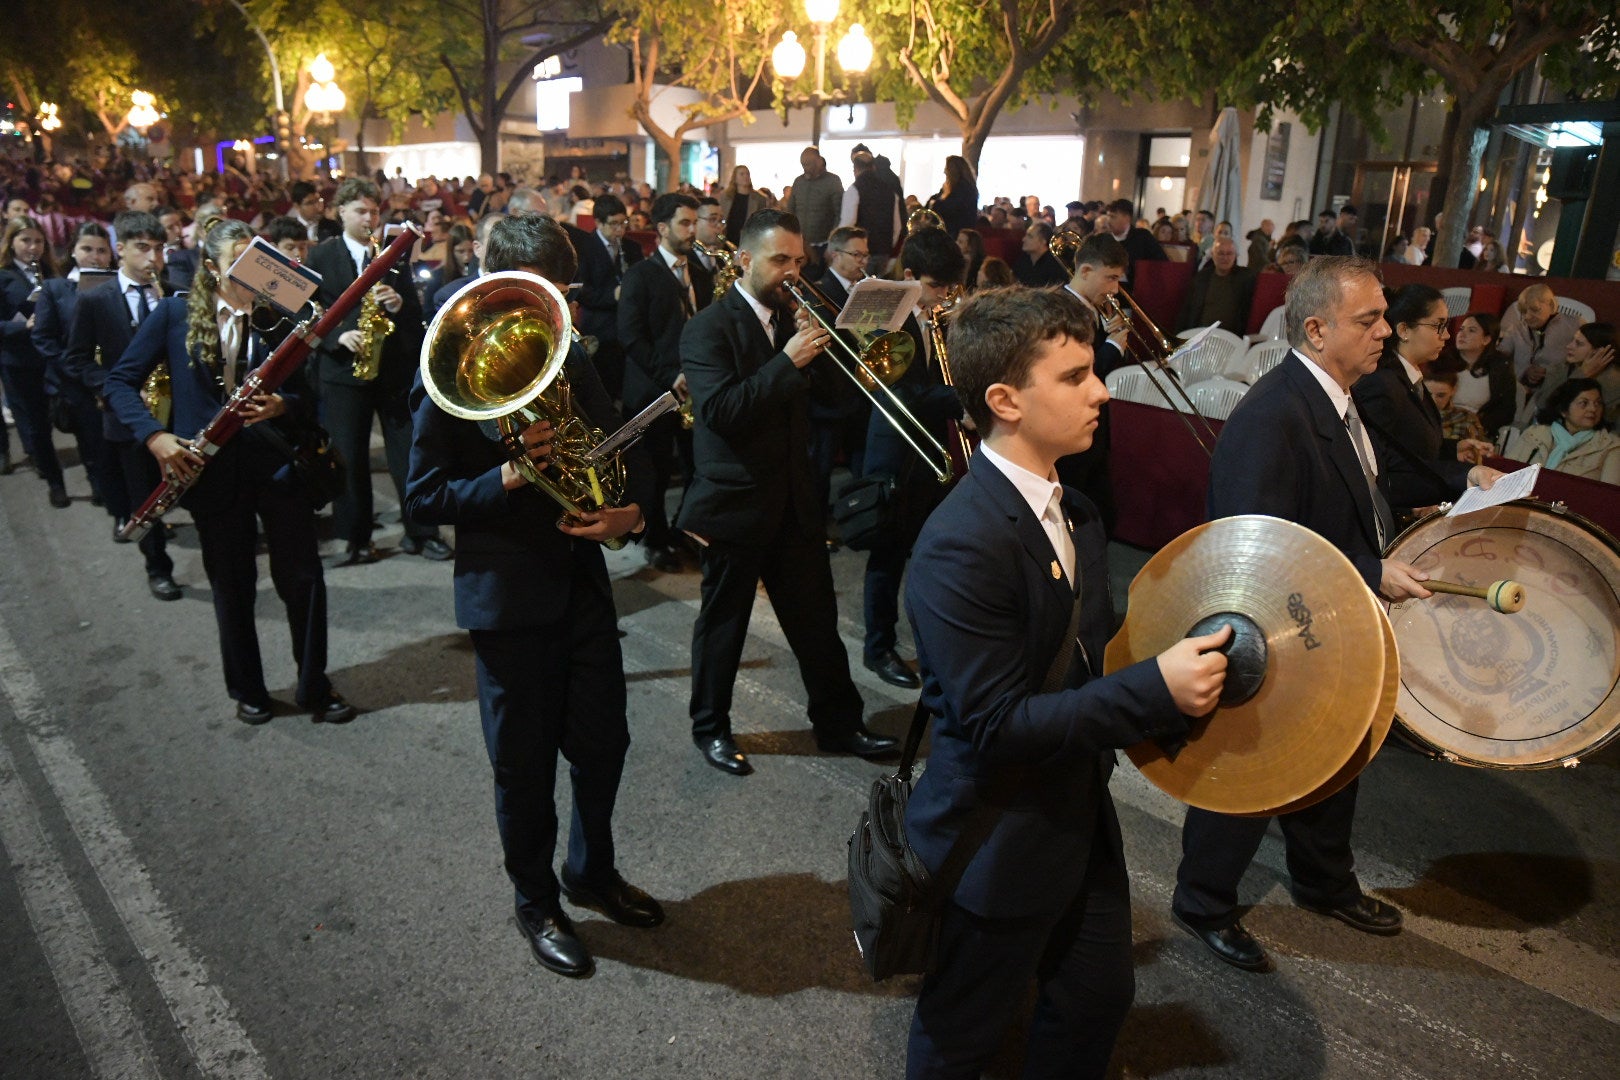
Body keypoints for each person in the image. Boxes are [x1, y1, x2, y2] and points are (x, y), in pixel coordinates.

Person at [902, 284, 1230, 1077]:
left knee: (1094, 998)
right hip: (997, 834)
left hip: (1076, 817)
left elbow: (1088, 664)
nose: (1101, 391)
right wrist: (1155, 690)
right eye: (1076, 376)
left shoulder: (1076, 510)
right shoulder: (960, 543)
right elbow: (993, 727)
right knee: (962, 1032)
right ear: (1005, 401)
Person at [1172, 257, 1500, 974]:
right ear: (1316, 329)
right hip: (1279, 630)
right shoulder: (1273, 415)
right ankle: (1203, 902)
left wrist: (1459, 478)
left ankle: (1324, 882)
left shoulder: (1336, 396)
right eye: (1369, 320)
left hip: (1333, 618)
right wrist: (1369, 570)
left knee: (1338, 754)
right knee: (1254, 770)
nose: (1386, 330)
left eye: (1384, 316)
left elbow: (1376, 478)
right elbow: (1253, 549)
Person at [405, 212, 664, 981]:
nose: (556, 317)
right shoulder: (448, 368)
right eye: (541, 299)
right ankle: (536, 899)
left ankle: (591, 870)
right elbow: (423, 495)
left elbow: (618, 440)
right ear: (499, 292)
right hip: (506, 599)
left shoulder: (567, 352)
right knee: (522, 767)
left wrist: (630, 514)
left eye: (562, 296)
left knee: (603, 743)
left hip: (580, 583)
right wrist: (508, 477)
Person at [104, 218, 354, 725]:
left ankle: (314, 685)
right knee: (232, 584)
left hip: (277, 465)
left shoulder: (278, 313)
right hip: (211, 472)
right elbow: (120, 382)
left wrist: (282, 406)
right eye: (241, 257)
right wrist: (156, 436)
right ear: (213, 266)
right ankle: (249, 688)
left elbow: (310, 394)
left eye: (258, 256)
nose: (254, 268)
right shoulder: (175, 313)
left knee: (303, 578)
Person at [677, 209, 898, 775]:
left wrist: (849, 367)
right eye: (780, 261)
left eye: (799, 261)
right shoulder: (708, 328)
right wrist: (787, 360)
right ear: (745, 261)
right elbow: (723, 412)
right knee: (723, 625)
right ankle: (713, 728)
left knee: (816, 623)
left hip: (795, 501)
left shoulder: (795, 320)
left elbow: (830, 407)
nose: (792, 273)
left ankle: (839, 723)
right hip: (735, 503)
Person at [305, 177, 451, 564]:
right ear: (340, 213)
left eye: (373, 211)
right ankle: (357, 537)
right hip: (342, 369)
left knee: (407, 455)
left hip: (391, 368)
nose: (369, 218)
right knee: (348, 457)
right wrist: (337, 336)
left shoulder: (391, 256)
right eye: (360, 211)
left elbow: (417, 315)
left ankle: (422, 532)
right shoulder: (320, 257)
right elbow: (304, 310)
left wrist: (400, 302)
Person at [859, 226, 966, 691]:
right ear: (908, 276)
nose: (942, 295)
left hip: (926, 451)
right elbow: (904, 391)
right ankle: (878, 647)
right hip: (893, 449)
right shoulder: (884, 315)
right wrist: (958, 400)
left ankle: (929, 641)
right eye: (937, 286)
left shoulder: (928, 316)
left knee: (926, 553)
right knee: (886, 558)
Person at [61, 211, 180, 597]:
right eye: (143, 249)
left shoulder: (175, 293)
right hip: (129, 414)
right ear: (120, 250)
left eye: (159, 250)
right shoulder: (96, 300)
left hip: (176, 408)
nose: (153, 260)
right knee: (143, 494)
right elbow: (76, 359)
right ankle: (157, 565)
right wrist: (112, 388)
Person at [618, 192, 712, 573]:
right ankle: (655, 539)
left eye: (694, 222)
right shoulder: (640, 275)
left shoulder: (703, 275)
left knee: (697, 468)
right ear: (661, 229)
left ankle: (685, 531)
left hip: (694, 389)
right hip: (653, 392)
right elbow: (631, 337)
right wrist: (670, 376)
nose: (693, 230)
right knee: (654, 472)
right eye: (685, 223)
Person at [1352, 284, 1494, 516]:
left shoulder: (1410, 378)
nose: (1447, 335)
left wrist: (1453, 449)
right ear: (1404, 330)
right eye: (1438, 325)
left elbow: (1409, 446)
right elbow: (1375, 465)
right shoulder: (1381, 384)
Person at [31, 221, 114, 509]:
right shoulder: (56, 289)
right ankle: (108, 496)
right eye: (87, 248)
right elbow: (44, 339)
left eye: (102, 250)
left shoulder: (120, 285)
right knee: (94, 445)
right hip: (76, 384)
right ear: (74, 252)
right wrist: (74, 370)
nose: (95, 256)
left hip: (116, 378)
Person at [1056, 234, 1133, 526]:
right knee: (1080, 517)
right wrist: (1112, 347)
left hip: (1093, 427)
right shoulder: (1063, 309)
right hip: (1072, 428)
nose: (1115, 289)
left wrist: (1115, 344)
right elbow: (1076, 375)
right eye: (1110, 278)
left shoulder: (1092, 308)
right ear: (1085, 271)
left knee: (1100, 519)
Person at [0, 215, 69, 506]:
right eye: (25, 240)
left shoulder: (51, 273)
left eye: (38, 240)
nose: (33, 247)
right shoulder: (3, 276)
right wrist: (22, 327)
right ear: (11, 243)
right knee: (38, 425)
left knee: (68, 417)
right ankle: (56, 483)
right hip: (20, 361)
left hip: (53, 357)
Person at [808, 225, 874, 516]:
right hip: (829, 395)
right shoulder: (819, 291)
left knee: (861, 460)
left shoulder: (868, 290)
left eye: (866, 255)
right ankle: (817, 525)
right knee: (819, 468)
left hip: (860, 393)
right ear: (835, 255)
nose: (863, 261)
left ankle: (861, 515)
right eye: (856, 254)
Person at [565, 192, 641, 401]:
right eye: (614, 224)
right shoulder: (584, 249)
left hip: (628, 323)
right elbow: (582, 290)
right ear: (598, 222)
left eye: (623, 223)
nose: (620, 230)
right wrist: (612, 295)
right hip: (600, 325)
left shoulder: (632, 248)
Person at [1505, 378, 1620, 484]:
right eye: (1584, 403)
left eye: (1597, 403)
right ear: (1563, 410)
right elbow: (1506, 472)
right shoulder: (1534, 434)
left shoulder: (1611, 447)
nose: (1593, 409)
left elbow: (1609, 495)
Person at [1521, 322, 1618, 429]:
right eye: (1572, 340)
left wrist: (1582, 377)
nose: (1569, 346)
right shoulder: (1563, 368)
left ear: (1599, 352)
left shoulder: (1613, 382)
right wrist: (1581, 374)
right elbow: (1544, 404)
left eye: (1579, 344)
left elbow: (1600, 423)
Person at [1437, 311, 1515, 440]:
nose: (1462, 334)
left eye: (1471, 330)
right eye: (1461, 329)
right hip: (1443, 422)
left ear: (1486, 339)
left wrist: (1478, 425)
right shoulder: (1443, 360)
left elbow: (1506, 410)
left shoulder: (1500, 366)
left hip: (1478, 428)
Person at [1177, 235, 1257, 334]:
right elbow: (1188, 310)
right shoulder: (1201, 279)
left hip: (1232, 338)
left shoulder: (1246, 278)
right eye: (1220, 253)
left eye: (1229, 254)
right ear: (1212, 254)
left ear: (1235, 255)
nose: (1225, 258)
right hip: (1201, 335)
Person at [783, 146, 843, 270]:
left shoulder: (833, 181)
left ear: (819, 161)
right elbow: (790, 212)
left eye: (809, 164)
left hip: (825, 244)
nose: (805, 168)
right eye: (803, 165)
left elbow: (839, 213)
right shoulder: (798, 182)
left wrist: (832, 243)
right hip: (801, 244)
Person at [1101, 198, 1167, 284]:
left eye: (1113, 217)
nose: (1108, 221)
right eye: (1108, 216)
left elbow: (1161, 264)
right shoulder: (1104, 239)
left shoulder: (1143, 237)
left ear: (1127, 218)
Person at [1421, 369, 1488, 444]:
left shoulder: (1466, 418)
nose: (1433, 400)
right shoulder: (1412, 413)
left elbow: (1476, 451)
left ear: (1453, 391)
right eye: (1428, 394)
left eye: (1441, 395)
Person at [925, 156, 979, 238]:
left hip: (957, 234)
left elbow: (949, 207)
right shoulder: (950, 187)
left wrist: (935, 203)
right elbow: (934, 199)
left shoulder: (964, 188)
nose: (944, 172)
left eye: (946, 168)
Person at [719, 166, 766, 247]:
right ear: (735, 178)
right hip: (728, 236)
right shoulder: (726, 196)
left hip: (748, 238)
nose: (745, 176)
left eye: (747, 174)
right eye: (742, 174)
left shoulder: (759, 198)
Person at [1012, 221, 1068, 287]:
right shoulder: (1023, 259)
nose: (1023, 239)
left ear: (1043, 241)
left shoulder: (1055, 265)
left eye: (1030, 236)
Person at [955, 228, 984, 293]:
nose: (956, 243)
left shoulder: (980, 266)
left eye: (960, 242)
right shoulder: (955, 261)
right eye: (957, 240)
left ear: (970, 246)